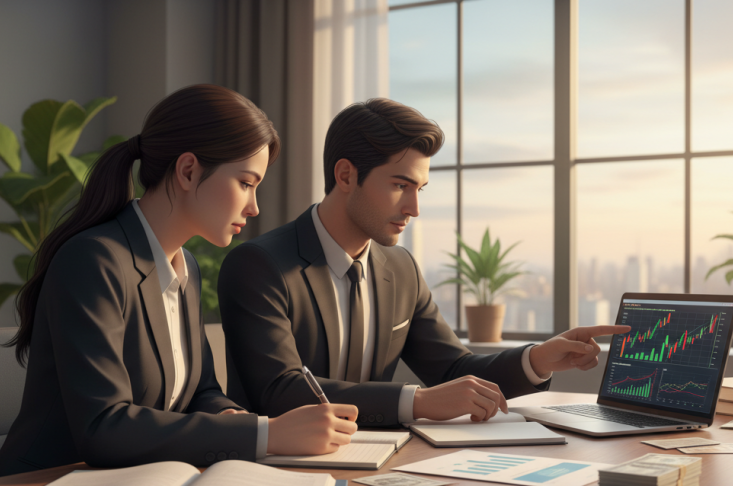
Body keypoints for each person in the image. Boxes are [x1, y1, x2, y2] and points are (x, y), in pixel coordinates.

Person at [0, 85, 357, 479]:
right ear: (188, 171)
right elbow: (102, 426)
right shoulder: (93, 260)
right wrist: (267, 434)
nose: (254, 207)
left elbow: (201, 391)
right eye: (246, 183)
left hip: (133, 482)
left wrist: (232, 418)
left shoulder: (185, 267)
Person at [218, 98, 628, 426]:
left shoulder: (401, 270)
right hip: (284, 468)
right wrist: (417, 402)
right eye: (400, 186)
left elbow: (453, 370)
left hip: (382, 466)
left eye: (420, 189)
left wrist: (536, 359)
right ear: (345, 176)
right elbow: (281, 392)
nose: (414, 208)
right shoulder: (259, 265)